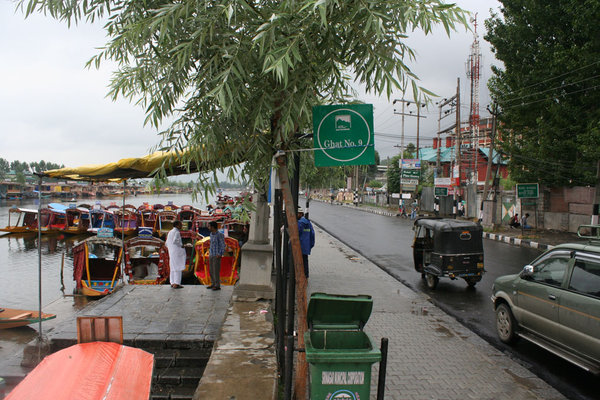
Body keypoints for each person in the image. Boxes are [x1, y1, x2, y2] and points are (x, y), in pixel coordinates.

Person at [165, 220, 186, 288]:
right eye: (180, 225)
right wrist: (181, 245)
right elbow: (175, 241)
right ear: (177, 225)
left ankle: (172, 282)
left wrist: (171, 249)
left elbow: (166, 243)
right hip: (177, 252)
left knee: (173, 267)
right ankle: (176, 283)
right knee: (178, 267)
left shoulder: (170, 232)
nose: (181, 226)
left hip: (171, 252)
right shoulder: (176, 232)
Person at [207, 220, 225, 290]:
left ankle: (217, 285)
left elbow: (223, 245)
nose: (208, 228)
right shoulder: (211, 234)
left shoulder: (220, 235)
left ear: (212, 227)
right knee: (211, 270)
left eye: (209, 226)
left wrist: (220, 254)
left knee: (216, 271)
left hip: (217, 255)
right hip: (211, 254)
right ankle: (213, 283)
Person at [297, 208, 315, 278]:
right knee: (305, 260)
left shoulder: (299, 223)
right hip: (306, 246)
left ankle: (300, 276)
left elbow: (296, 234)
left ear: (300, 214)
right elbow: (312, 234)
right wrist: (310, 245)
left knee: (298, 261)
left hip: (299, 245)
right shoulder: (308, 223)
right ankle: (305, 275)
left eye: (297, 213)